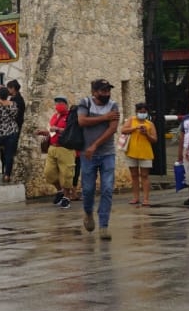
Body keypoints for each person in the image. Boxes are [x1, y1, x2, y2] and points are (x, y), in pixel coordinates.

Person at [77, 79, 121, 239]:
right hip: (87, 155)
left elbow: (113, 128)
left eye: (108, 90)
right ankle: (88, 212)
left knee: (107, 189)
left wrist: (95, 144)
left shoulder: (113, 106)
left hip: (107, 154)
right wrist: (104, 118)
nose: (106, 94)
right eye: (103, 91)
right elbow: (81, 121)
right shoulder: (85, 103)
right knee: (88, 189)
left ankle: (104, 225)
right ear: (94, 92)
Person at [40, 96, 75, 208]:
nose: (58, 105)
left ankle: (66, 196)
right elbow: (51, 131)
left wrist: (58, 129)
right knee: (49, 173)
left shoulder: (71, 116)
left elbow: (72, 130)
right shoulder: (55, 116)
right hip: (52, 147)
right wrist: (44, 132)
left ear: (66, 105)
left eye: (60, 103)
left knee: (66, 174)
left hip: (65, 148)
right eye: (56, 103)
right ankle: (60, 191)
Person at [120, 102, 157, 207]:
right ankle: (136, 197)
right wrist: (134, 128)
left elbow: (154, 139)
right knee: (134, 175)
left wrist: (146, 134)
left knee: (144, 175)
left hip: (145, 152)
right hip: (132, 152)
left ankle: (146, 199)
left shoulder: (150, 124)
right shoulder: (132, 120)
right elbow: (123, 130)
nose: (142, 113)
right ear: (136, 112)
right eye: (140, 112)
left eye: (144, 112)